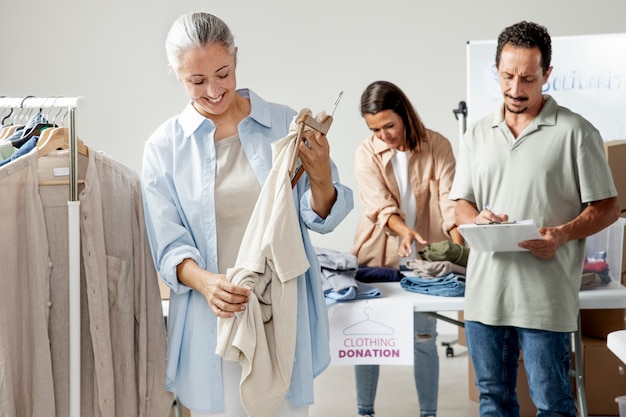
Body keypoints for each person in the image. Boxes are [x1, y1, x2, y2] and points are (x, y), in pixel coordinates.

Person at [141, 12, 353, 417]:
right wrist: (207, 285)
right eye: (197, 81)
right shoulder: (164, 148)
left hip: (281, 313)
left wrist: (322, 177)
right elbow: (168, 246)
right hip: (215, 317)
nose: (214, 90)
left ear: (236, 57)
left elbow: (319, 215)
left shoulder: (282, 125)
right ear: (176, 74)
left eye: (222, 73)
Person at [449, 21, 620, 417]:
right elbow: (460, 205)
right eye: (507, 76)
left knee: (553, 405)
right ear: (496, 71)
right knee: (493, 401)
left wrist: (561, 234)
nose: (515, 89)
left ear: (547, 75)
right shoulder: (477, 133)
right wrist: (479, 218)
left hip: (544, 300)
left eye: (527, 78)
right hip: (484, 298)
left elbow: (608, 207)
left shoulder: (576, 132)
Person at [352, 80, 463, 417]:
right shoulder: (366, 152)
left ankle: (428, 414)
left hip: (428, 262)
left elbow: (450, 203)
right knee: (369, 340)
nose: (384, 134)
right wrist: (404, 232)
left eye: (389, 125)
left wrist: (458, 254)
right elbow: (379, 206)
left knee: (425, 337)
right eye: (375, 128)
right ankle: (365, 411)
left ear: (404, 114)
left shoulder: (438, 145)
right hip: (378, 256)